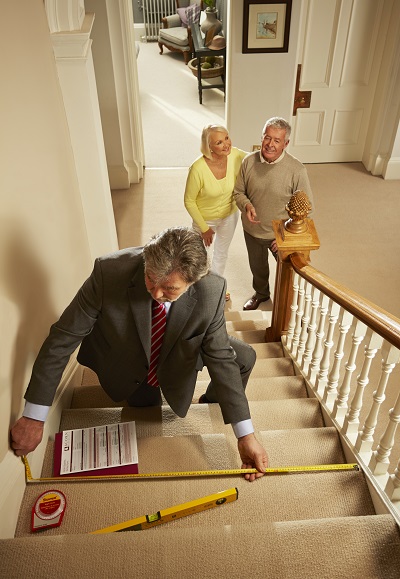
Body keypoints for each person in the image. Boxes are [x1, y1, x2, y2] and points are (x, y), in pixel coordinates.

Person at [10, 226, 268, 481]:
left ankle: (209, 404)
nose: (156, 293)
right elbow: (61, 340)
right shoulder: (108, 272)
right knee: (145, 408)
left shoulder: (212, 290)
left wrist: (245, 435)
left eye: (169, 288)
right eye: (150, 278)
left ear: (193, 282)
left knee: (242, 358)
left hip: (181, 349)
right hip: (128, 355)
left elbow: (220, 355)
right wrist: (34, 416)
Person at [233, 117, 314, 311]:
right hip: (252, 230)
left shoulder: (297, 170)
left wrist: (286, 237)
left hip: (280, 234)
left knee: (291, 273)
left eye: (277, 140)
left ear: (286, 144)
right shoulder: (248, 161)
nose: (270, 144)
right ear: (262, 137)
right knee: (258, 267)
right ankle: (261, 294)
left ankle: (293, 306)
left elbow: (307, 208)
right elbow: (238, 192)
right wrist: (246, 206)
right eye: (267, 138)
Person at [184, 125, 248, 302]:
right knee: (198, 255)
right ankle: (197, 290)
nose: (226, 144)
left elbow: (254, 159)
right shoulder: (197, 169)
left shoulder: (235, 155)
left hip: (230, 214)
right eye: (219, 142)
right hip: (204, 218)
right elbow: (189, 201)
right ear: (209, 146)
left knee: (221, 253)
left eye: (227, 138)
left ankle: (214, 289)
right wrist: (204, 228)